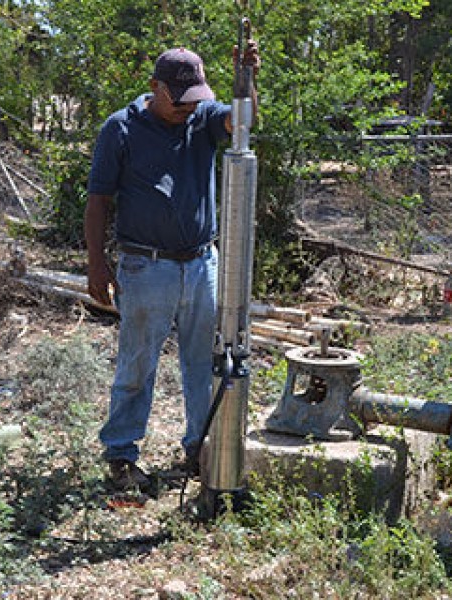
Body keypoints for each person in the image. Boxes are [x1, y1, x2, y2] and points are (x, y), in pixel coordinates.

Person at [85, 42, 260, 491]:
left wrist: (247, 81)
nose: (187, 108)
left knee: (203, 364)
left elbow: (242, 121)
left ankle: (199, 450)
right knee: (137, 366)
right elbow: (98, 200)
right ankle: (122, 456)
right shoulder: (120, 129)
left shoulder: (201, 119)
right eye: (178, 99)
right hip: (146, 267)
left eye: (194, 98)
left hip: (202, 264)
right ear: (154, 88)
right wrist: (97, 264)